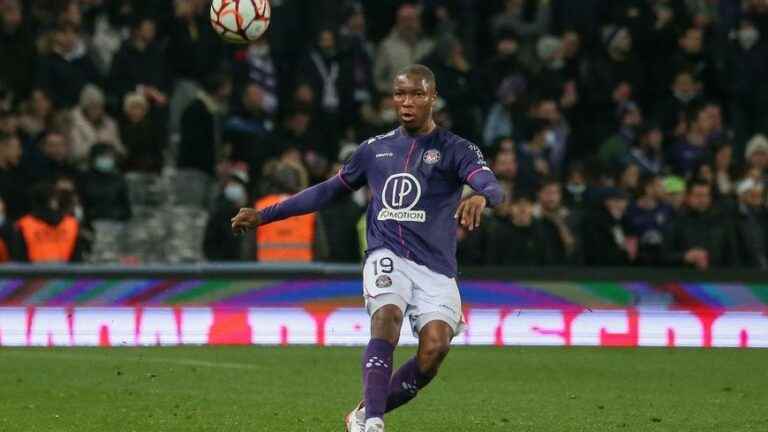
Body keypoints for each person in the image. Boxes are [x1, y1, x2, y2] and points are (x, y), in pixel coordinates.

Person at [231, 65, 503, 432]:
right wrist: (264, 215)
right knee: (387, 317)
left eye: (417, 94)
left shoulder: (457, 149)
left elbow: (491, 184)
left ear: (432, 97)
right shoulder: (374, 150)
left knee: (434, 350)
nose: (407, 103)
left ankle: (363, 412)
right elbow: (326, 191)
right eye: (400, 94)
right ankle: (374, 423)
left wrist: (480, 196)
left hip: (436, 267)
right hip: (386, 254)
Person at [11, 182, 85, 263]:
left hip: (33, 274)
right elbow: (78, 261)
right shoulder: (72, 224)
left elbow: (19, 261)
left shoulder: (24, 225)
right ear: (53, 201)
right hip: (65, 275)